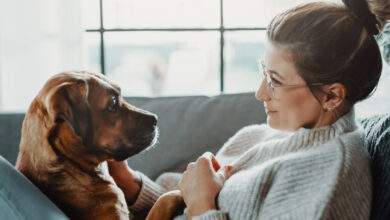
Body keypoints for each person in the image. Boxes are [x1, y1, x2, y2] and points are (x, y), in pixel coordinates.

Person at [108, 0, 390, 219]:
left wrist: (202, 204)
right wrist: (130, 184)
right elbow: (177, 198)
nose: (259, 93)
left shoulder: (331, 182)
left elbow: (195, 200)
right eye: (263, 72)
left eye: (275, 81)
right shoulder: (263, 136)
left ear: (332, 96)